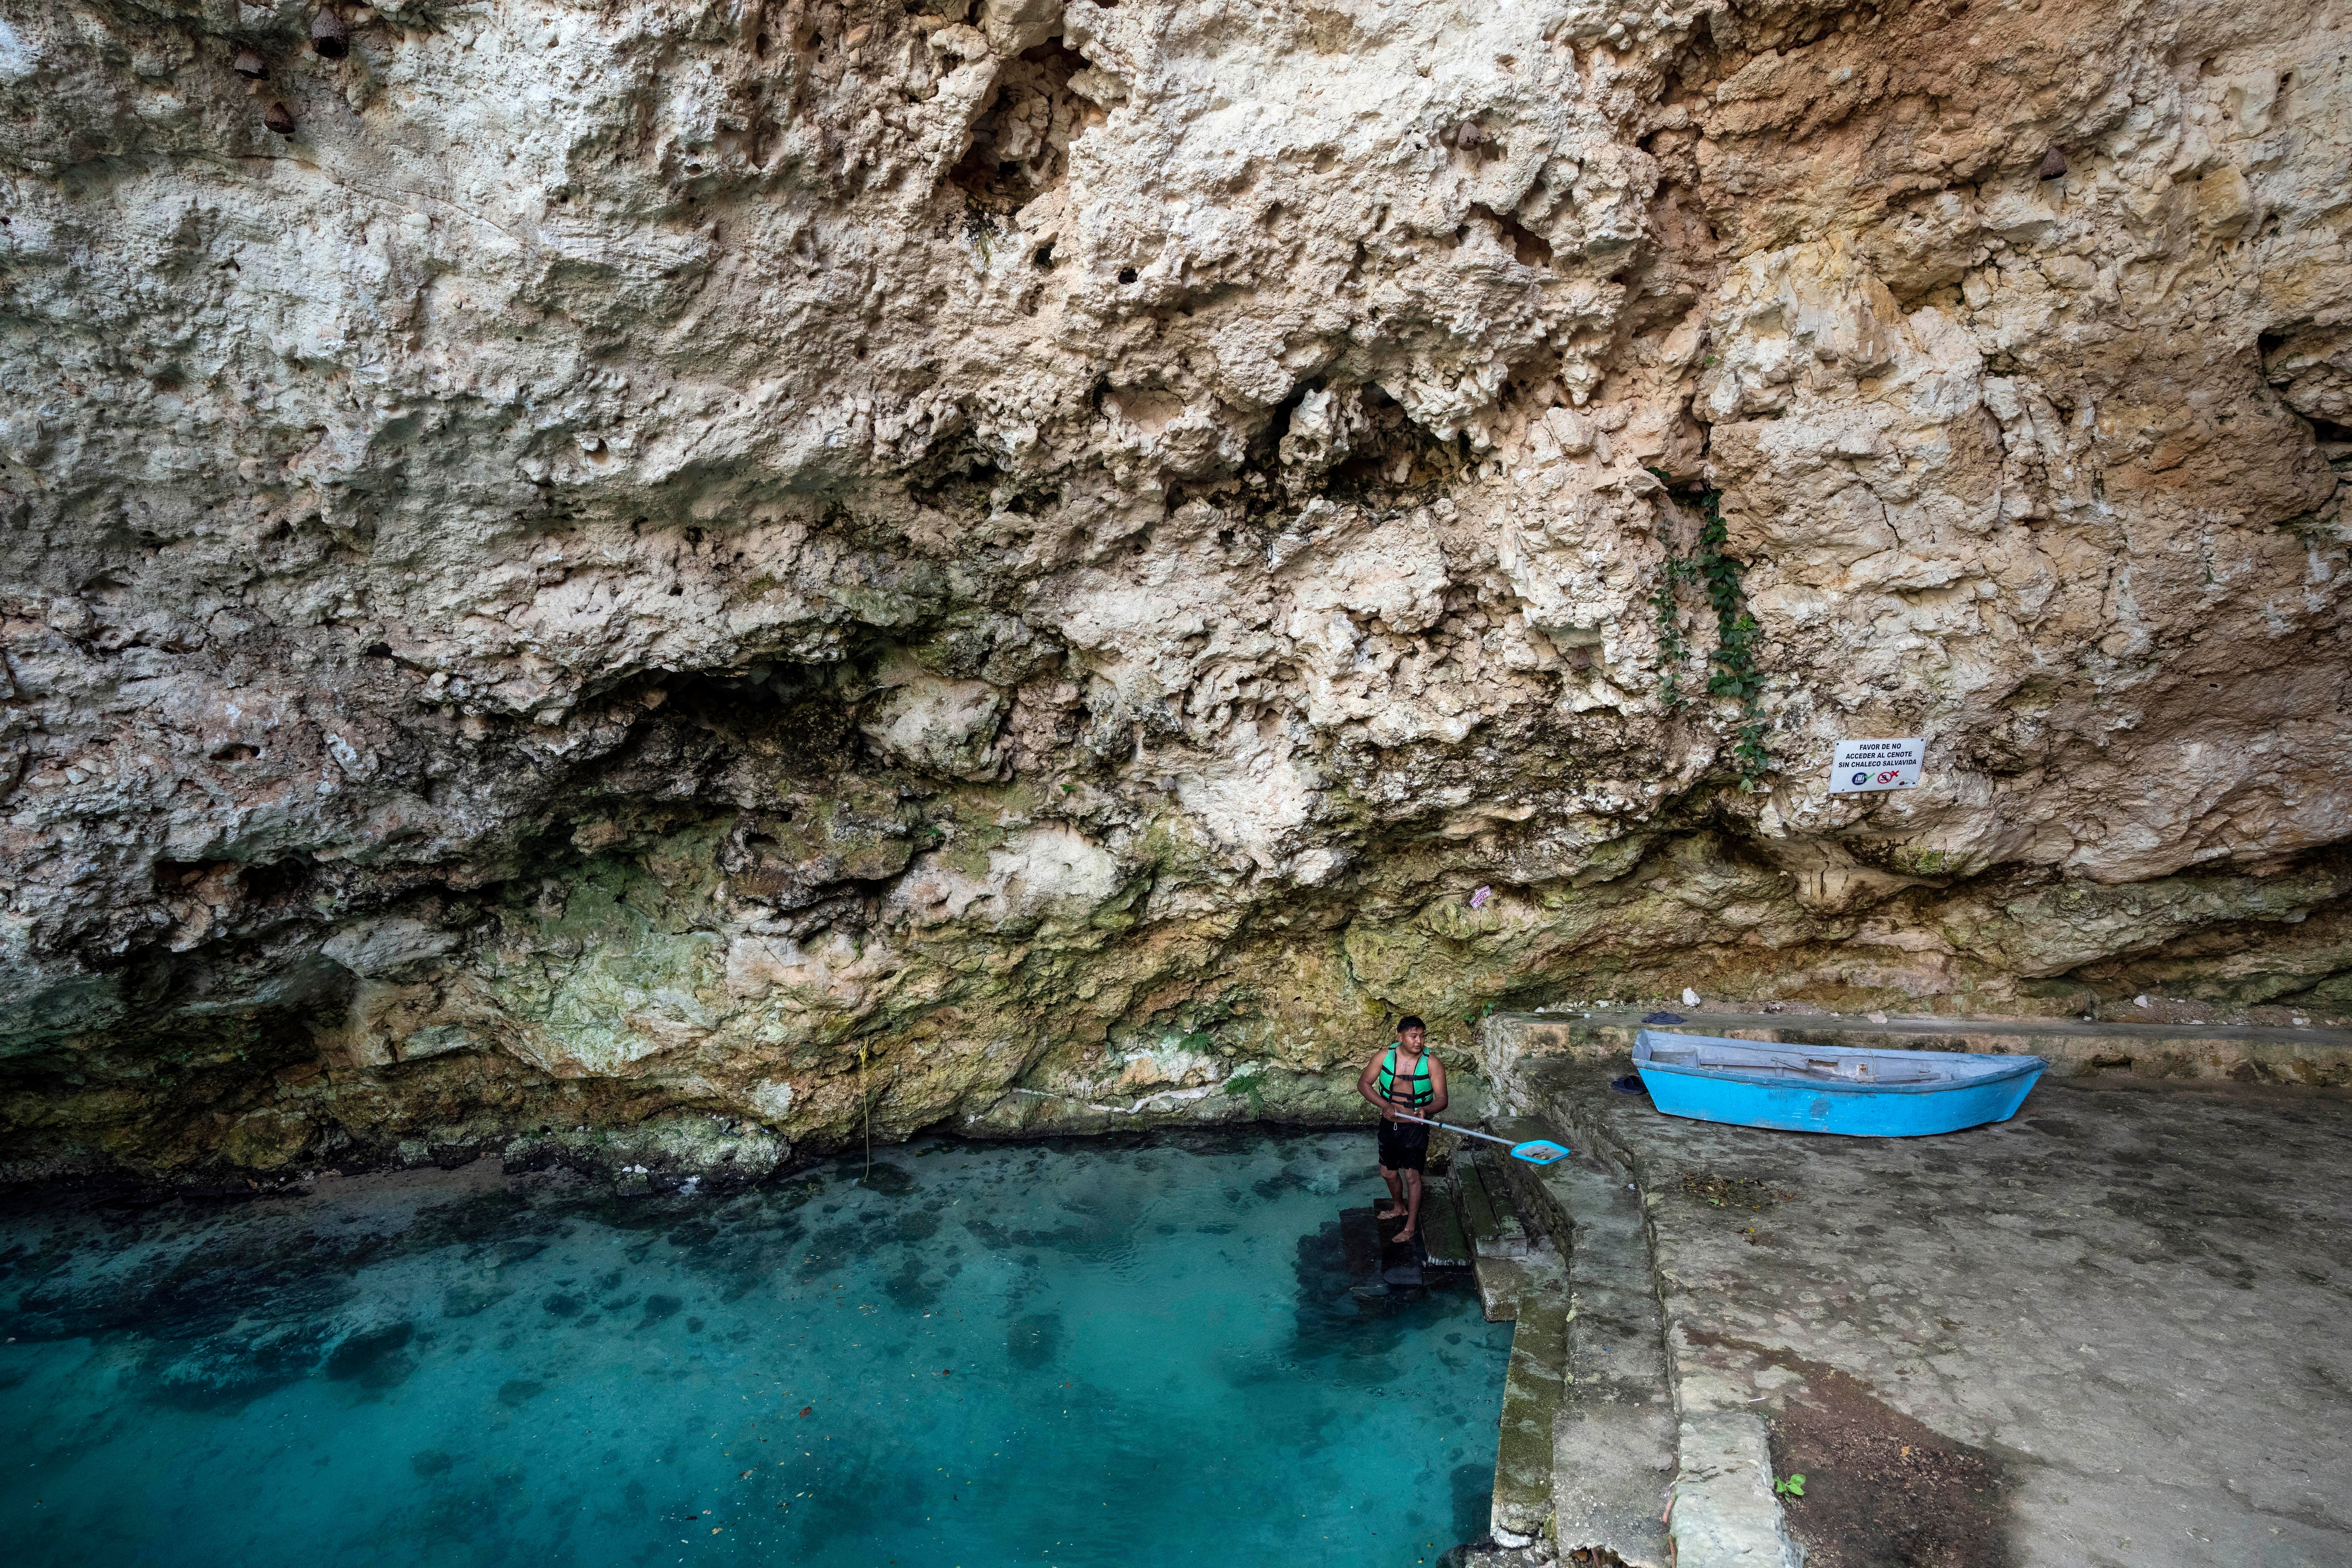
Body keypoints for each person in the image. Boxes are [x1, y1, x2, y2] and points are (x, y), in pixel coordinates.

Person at [1355, 1015, 1448, 1245]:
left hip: (1417, 1127)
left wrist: (1426, 1110)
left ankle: (1410, 1227)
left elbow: (1443, 1100)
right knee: (1388, 1172)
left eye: (1422, 1036)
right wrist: (1385, 1106)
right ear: (1400, 1037)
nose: (1419, 1041)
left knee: (1412, 1176)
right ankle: (1399, 1207)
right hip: (1390, 1123)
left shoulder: (1433, 1063)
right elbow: (1363, 1083)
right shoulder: (1384, 1057)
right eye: (1414, 1036)